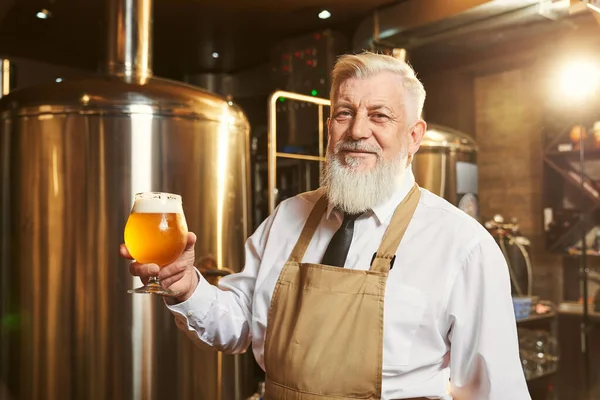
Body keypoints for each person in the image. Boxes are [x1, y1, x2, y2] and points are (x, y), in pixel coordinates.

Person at [121, 51, 531, 400]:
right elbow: (238, 324)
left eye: (379, 115)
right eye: (344, 113)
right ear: (328, 126)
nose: (357, 131)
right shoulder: (287, 218)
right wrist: (187, 287)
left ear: (413, 136)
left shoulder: (462, 245)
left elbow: (498, 392)